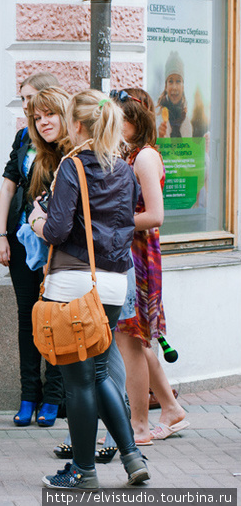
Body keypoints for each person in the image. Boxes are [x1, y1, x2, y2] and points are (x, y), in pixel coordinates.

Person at [28, 90, 149, 489]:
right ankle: (132, 457)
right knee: (99, 373)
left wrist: (36, 221)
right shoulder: (125, 169)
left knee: (78, 379)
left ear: (77, 125)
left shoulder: (72, 165)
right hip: (114, 282)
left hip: (74, 281)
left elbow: (59, 230)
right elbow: (128, 221)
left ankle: (82, 471)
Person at [113, 88, 189, 444]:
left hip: (139, 257)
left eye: (118, 118)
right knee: (139, 341)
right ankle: (171, 410)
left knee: (134, 340)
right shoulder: (132, 155)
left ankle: (140, 424)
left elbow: (156, 215)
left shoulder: (144, 157)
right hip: (131, 253)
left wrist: (112, 220)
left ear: (134, 121)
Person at [0, 73, 66, 427]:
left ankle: (53, 398)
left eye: (32, 99)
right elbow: (8, 187)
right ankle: (28, 396)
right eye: (24, 101)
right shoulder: (23, 137)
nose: (28, 108)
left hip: (55, 244)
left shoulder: (66, 144)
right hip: (22, 239)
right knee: (27, 318)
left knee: (53, 318)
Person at [155, 51, 192, 139]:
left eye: (178, 81)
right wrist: (159, 137)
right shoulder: (158, 117)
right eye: (170, 81)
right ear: (166, 86)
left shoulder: (187, 121)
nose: (174, 87)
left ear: (183, 86)